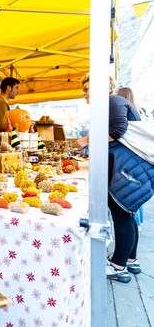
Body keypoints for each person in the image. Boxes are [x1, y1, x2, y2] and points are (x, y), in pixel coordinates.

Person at [77, 75, 154, 283]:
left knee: (121, 215)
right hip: (129, 169)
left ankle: (117, 267)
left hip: (127, 170)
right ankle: (130, 259)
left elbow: (119, 130)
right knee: (126, 215)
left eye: (87, 88)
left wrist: (85, 140)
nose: (84, 93)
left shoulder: (113, 101)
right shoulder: (115, 102)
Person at [117, 87, 144, 229]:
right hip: (138, 160)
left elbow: (118, 133)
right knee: (135, 199)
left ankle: (135, 223)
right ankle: (137, 223)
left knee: (127, 207)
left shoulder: (122, 114)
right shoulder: (137, 112)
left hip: (127, 162)